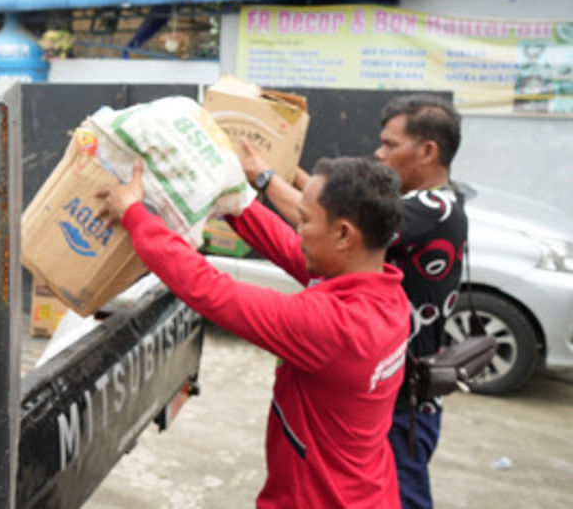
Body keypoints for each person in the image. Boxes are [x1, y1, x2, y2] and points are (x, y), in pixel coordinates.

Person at [97, 156, 409, 508]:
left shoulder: (334, 328)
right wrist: (230, 200)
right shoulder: (386, 294)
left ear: (343, 235)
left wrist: (135, 215)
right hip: (368, 492)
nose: (298, 229)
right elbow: (290, 248)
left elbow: (212, 291)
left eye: (305, 220)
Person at [239, 94, 466, 509]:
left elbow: (332, 220)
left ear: (428, 151)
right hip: (387, 401)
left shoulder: (429, 208)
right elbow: (331, 209)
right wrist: (287, 178)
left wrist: (262, 181)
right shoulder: (438, 205)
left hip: (397, 406)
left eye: (391, 145)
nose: (379, 154)